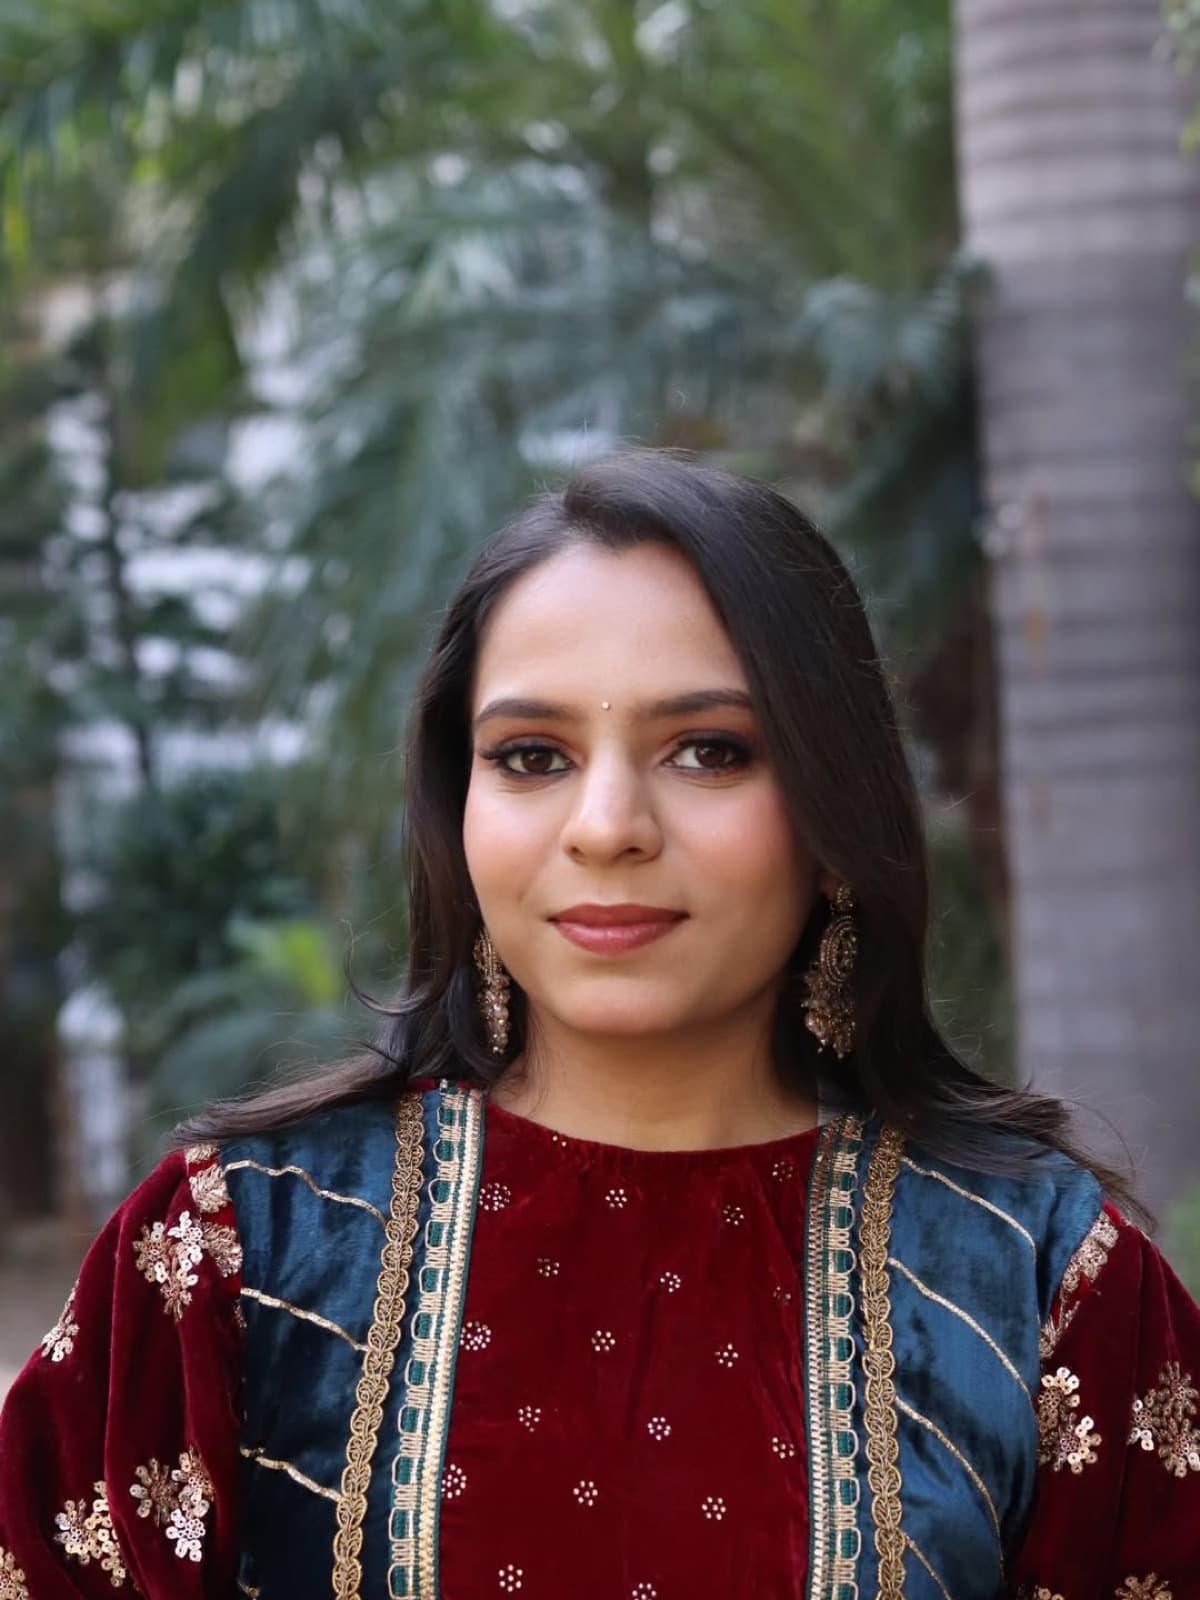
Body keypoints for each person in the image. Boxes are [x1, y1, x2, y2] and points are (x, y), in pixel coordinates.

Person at [1, 450, 1197, 1600]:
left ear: (835, 817)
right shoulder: (239, 1247)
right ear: (456, 810)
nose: (608, 824)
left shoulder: (1042, 1277)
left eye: (709, 750)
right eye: (532, 755)